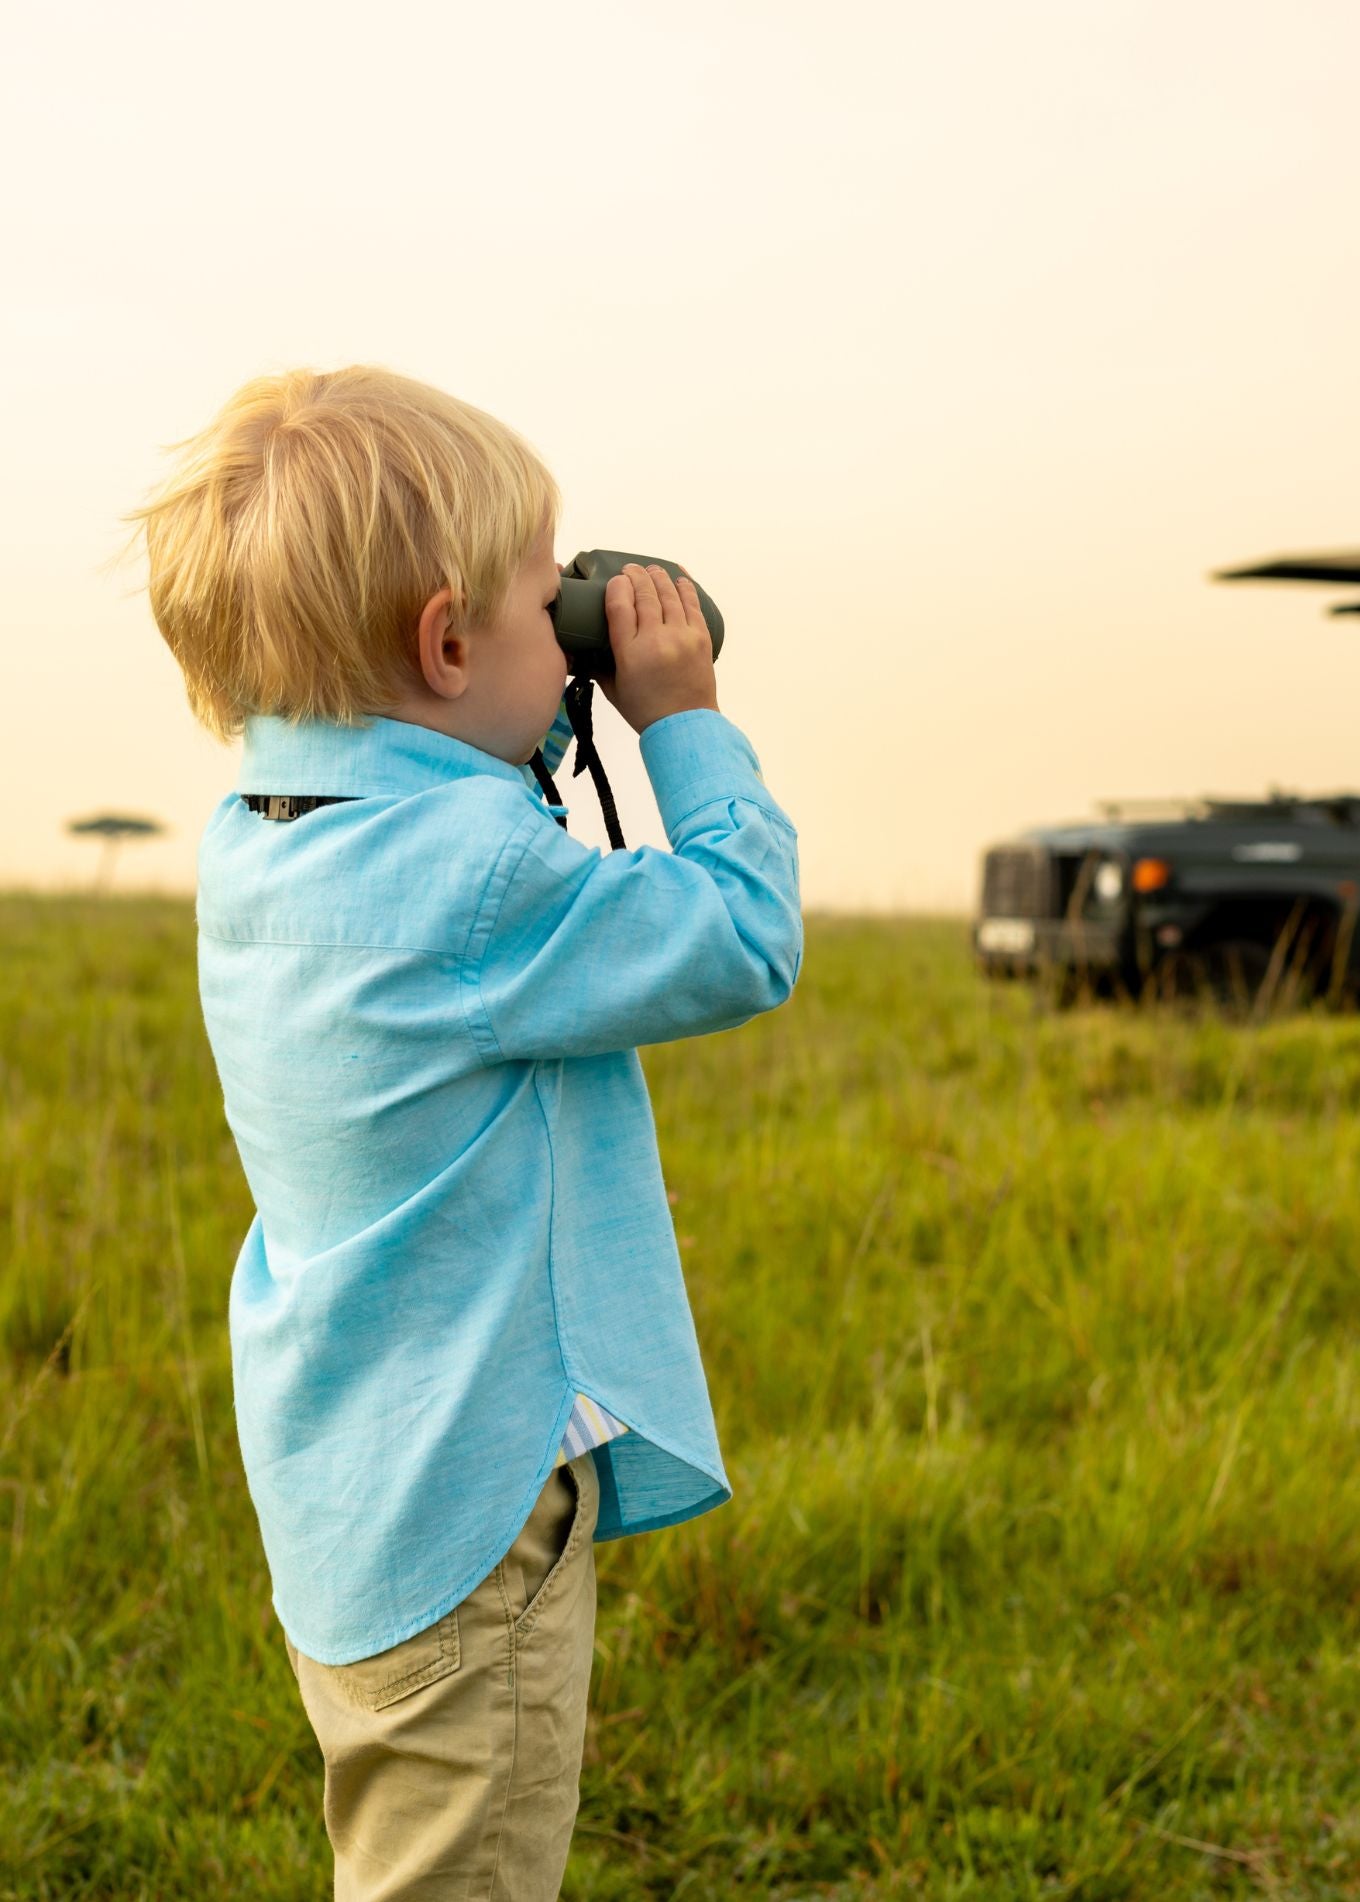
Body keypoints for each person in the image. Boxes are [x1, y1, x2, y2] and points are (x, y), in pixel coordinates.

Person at [119, 364, 802, 1899]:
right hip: (472, 1501)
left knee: (403, 1854)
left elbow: (468, 821)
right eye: (541, 587)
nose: (572, 605)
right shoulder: (470, 880)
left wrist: (533, 724)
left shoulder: (271, 844)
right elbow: (742, 933)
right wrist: (679, 718)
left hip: (355, 1477)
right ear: (445, 641)